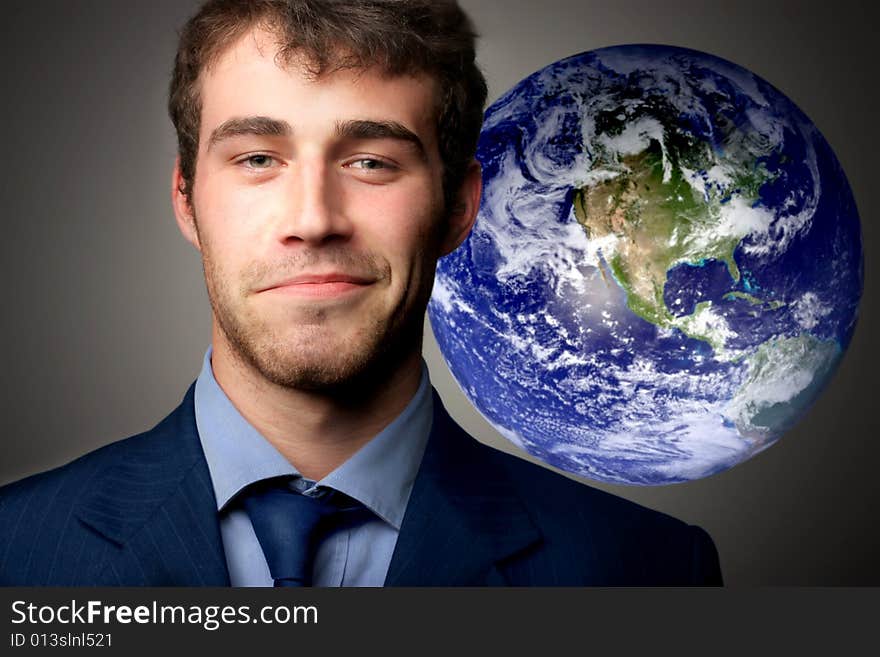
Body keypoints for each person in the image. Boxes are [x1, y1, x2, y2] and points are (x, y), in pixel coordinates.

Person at [0, 0, 721, 586]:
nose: (314, 219)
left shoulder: (646, 572)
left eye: (372, 161)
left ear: (458, 208)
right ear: (186, 198)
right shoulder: (15, 554)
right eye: (257, 158)